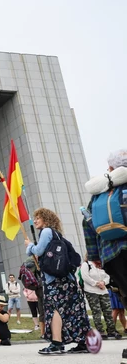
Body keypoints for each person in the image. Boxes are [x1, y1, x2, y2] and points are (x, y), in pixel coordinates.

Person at [26, 207, 91, 354]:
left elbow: (38, 250)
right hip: (66, 278)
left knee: (54, 308)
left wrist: (29, 246)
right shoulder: (58, 234)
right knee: (72, 310)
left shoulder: (47, 231)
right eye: (34, 218)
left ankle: (56, 343)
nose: (35, 220)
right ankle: (83, 342)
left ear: (46, 219)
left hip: (54, 280)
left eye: (38, 217)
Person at [83, 149, 127, 362]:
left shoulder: (100, 191)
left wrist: (95, 256)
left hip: (112, 255)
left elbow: (88, 223)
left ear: (111, 168)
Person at [80, 256, 121, 339]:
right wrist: (96, 283)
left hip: (103, 290)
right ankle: (100, 331)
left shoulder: (101, 265)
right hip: (91, 291)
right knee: (96, 311)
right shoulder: (86, 265)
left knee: (108, 311)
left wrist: (103, 282)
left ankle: (111, 330)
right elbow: (85, 277)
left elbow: (107, 276)